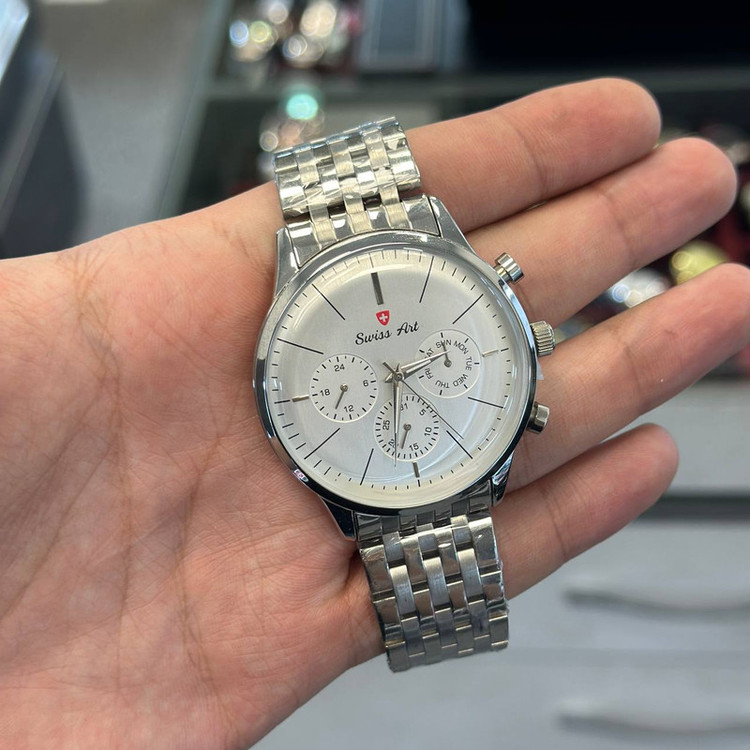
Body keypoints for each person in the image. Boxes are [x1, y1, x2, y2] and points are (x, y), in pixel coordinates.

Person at [0, 78, 748, 748]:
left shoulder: (476, 336)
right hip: (380, 466)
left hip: (447, 449)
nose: (394, 369)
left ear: (523, 327)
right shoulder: (296, 365)